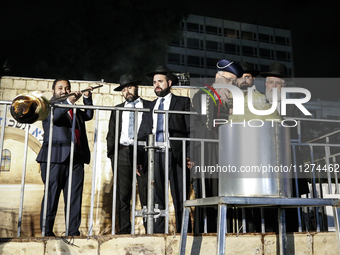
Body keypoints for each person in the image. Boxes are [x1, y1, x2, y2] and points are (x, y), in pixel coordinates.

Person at [191, 59, 243, 233]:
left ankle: (222, 233)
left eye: (234, 82)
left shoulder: (225, 100)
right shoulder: (204, 94)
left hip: (223, 156)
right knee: (205, 197)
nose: (231, 85)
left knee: (223, 197)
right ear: (217, 77)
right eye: (228, 81)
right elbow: (205, 125)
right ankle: (202, 235)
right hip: (206, 154)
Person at [36, 78, 94, 236]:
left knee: (75, 197)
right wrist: (68, 101)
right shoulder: (48, 106)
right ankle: (46, 232)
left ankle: (73, 231)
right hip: (54, 158)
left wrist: (87, 97)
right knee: (51, 195)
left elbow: (88, 115)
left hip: (76, 158)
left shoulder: (72, 108)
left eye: (67, 88)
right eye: (60, 88)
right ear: (53, 91)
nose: (64, 90)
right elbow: (54, 118)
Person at [137, 65, 191, 233]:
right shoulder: (151, 105)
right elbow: (142, 133)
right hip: (155, 155)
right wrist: (139, 160)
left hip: (176, 155)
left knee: (180, 196)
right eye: (154, 82)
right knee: (157, 199)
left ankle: (185, 234)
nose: (156, 85)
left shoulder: (182, 102)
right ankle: (158, 236)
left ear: (169, 82)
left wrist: (190, 154)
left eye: (160, 81)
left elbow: (191, 129)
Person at [260, 62, 309, 232]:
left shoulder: (294, 106)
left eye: (277, 83)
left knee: (291, 206)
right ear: (265, 85)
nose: (273, 86)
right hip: (265, 162)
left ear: (284, 87)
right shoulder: (258, 103)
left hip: (288, 160)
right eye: (270, 82)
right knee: (266, 205)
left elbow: (300, 130)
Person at [106, 74, 150, 234]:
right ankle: (124, 231)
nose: (127, 92)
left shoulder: (148, 106)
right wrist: (112, 154)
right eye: (124, 89)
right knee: (122, 196)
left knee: (146, 194)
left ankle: (150, 229)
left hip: (143, 153)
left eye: (129, 87)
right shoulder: (117, 109)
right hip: (122, 153)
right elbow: (111, 133)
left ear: (136, 87)